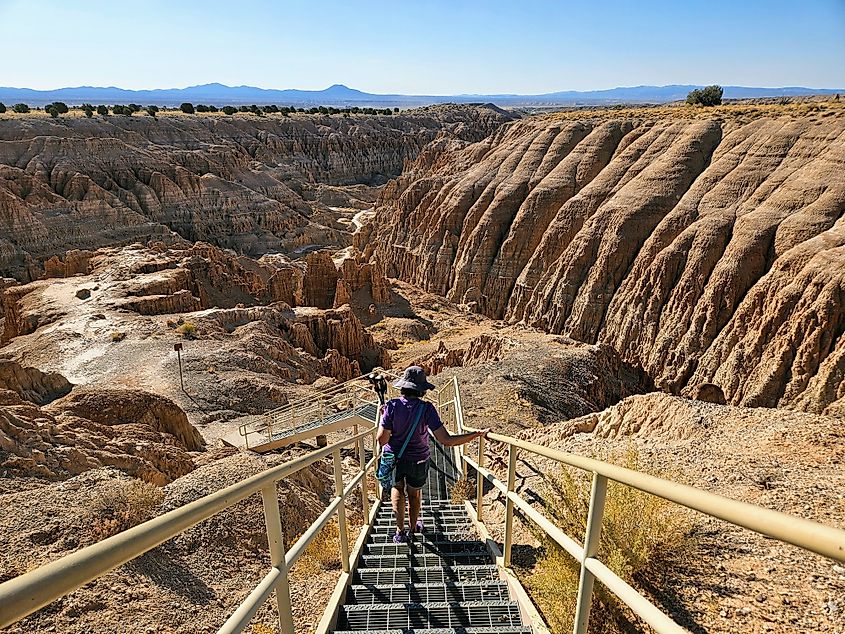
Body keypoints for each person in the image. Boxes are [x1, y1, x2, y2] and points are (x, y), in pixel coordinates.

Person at [378, 365, 488, 544]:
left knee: (397, 490)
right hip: (419, 459)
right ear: (422, 389)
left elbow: (382, 440)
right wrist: (476, 434)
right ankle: (414, 528)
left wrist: (383, 418)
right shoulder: (427, 409)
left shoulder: (391, 406)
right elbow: (446, 440)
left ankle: (400, 532)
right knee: (414, 494)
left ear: (403, 387)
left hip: (394, 458)